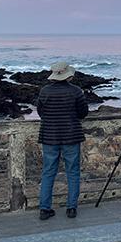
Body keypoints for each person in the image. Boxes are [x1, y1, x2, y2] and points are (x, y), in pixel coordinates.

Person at [36, 61, 88, 220]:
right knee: (72, 172)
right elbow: (83, 113)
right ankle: (71, 208)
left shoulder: (45, 91)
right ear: (68, 75)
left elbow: (40, 112)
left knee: (48, 172)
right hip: (71, 135)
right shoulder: (76, 91)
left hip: (49, 136)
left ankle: (45, 209)